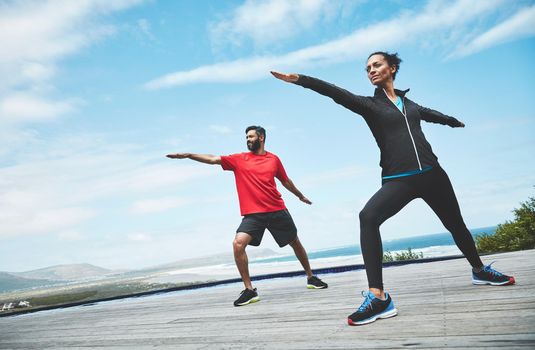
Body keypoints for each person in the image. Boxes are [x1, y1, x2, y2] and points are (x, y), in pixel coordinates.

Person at [271, 51, 515, 326]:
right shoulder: (369, 106)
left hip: (434, 175)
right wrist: (301, 79)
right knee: (368, 217)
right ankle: (378, 296)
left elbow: (428, 114)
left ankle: (479, 270)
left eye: (376, 65)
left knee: (456, 225)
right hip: (401, 179)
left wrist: (451, 120)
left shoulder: (408, 104)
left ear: (392, 68)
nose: (371, 70)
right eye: (367, 68)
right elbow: (334, 92)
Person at [166, 125, 328, 307]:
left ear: (261, 138)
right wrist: (188, 155)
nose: (247, 140)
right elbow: (212, 159)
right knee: (238, 244)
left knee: (295, 242)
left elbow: (285, 181)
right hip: (254, 215)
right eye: (246, 137)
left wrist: (299, 195)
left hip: (277, 210)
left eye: (250, 136)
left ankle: (311, 277)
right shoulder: (239, 159)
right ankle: (249, 290)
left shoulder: (274, 159)